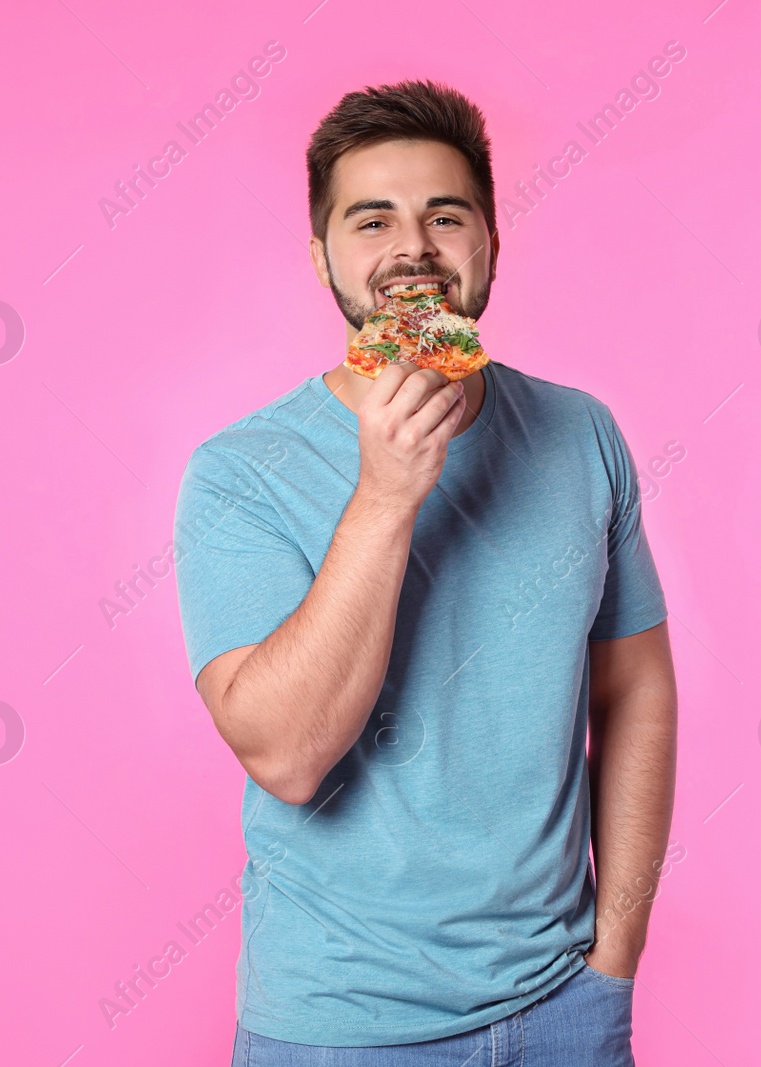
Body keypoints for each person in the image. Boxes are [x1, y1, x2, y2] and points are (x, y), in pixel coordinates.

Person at [173, 79, 679, 1066]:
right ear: (322, 255)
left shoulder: (580, 434)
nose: (412, 249)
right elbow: (286, 753)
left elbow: (636, 691)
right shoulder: (237, 473)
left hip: (565, 1006)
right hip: (339, 1027)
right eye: (372, 220)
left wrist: (613, 957)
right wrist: (387, 491)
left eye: (445, 215)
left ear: (489, 241)